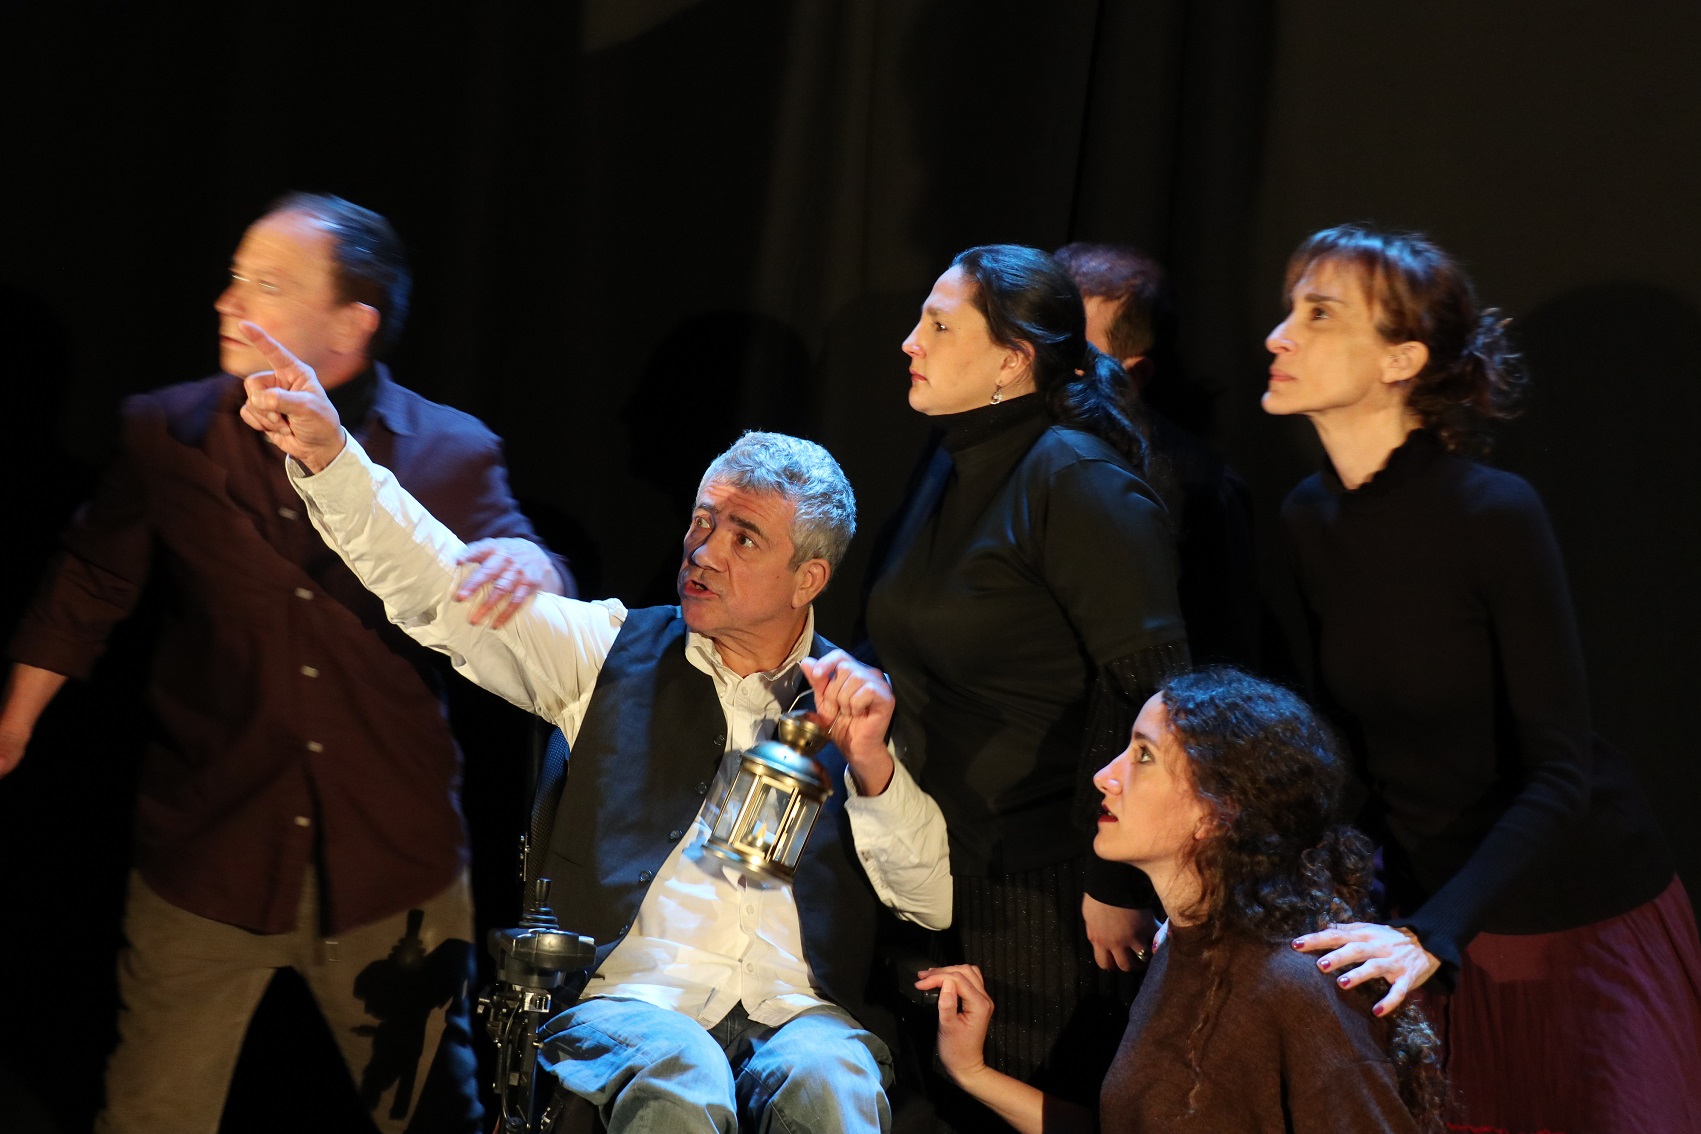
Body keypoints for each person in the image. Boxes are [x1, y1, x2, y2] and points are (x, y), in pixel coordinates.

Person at [238, 323, 953, 1134]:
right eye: (701, 521)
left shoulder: (858, 706)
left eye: (742, 536)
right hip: (634, 1002)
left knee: (834, 1086)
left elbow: (927, 904)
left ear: (808, 578)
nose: (703, 552)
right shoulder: (608, 650)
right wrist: (336, 462)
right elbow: (442, 591)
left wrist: (870, 766)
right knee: (684, 1080)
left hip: (798, 1011)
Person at [0, 193, 571, 1134]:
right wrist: (16, 720)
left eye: (266, 284)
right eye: (233, 276)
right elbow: (93, 576)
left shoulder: (449, 451)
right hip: (212, 847)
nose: (229, 301)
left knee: (433, 1114)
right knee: (149, 1113)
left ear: (354, 323)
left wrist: (531, 563)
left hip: (392, 861)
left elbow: (531, 572)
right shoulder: (168, 432)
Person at [1266, 223, 1701, 1132]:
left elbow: (1560, 769)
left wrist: (1433, 931)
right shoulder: (1308, 519)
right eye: (1287, 312)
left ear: (1401, 359)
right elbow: (1338, 757)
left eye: (1318, 314)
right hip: (1429, 922)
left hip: (1570, 919)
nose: (1279, 337)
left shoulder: (1490, 513)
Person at [863, 244, 1188, 1117]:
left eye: (938, 324)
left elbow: (1155, 689)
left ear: (1013, 360)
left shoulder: (1074, 478)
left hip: (1040, 892)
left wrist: (1111, 882)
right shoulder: (952, 458)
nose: (909, 342)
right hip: (928, 866)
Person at [919, 668, 1443, 1133]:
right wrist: (973, 1072)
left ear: (1218, 812)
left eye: (1144, 756)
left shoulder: (1293, 988)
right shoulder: (1180, 946)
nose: (1106, 776)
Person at [1053, 242, 1260, 668]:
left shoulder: (1199, 488)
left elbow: (1219, 654)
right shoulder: (976, 439)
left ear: (1134, 373)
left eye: (1069, 350)